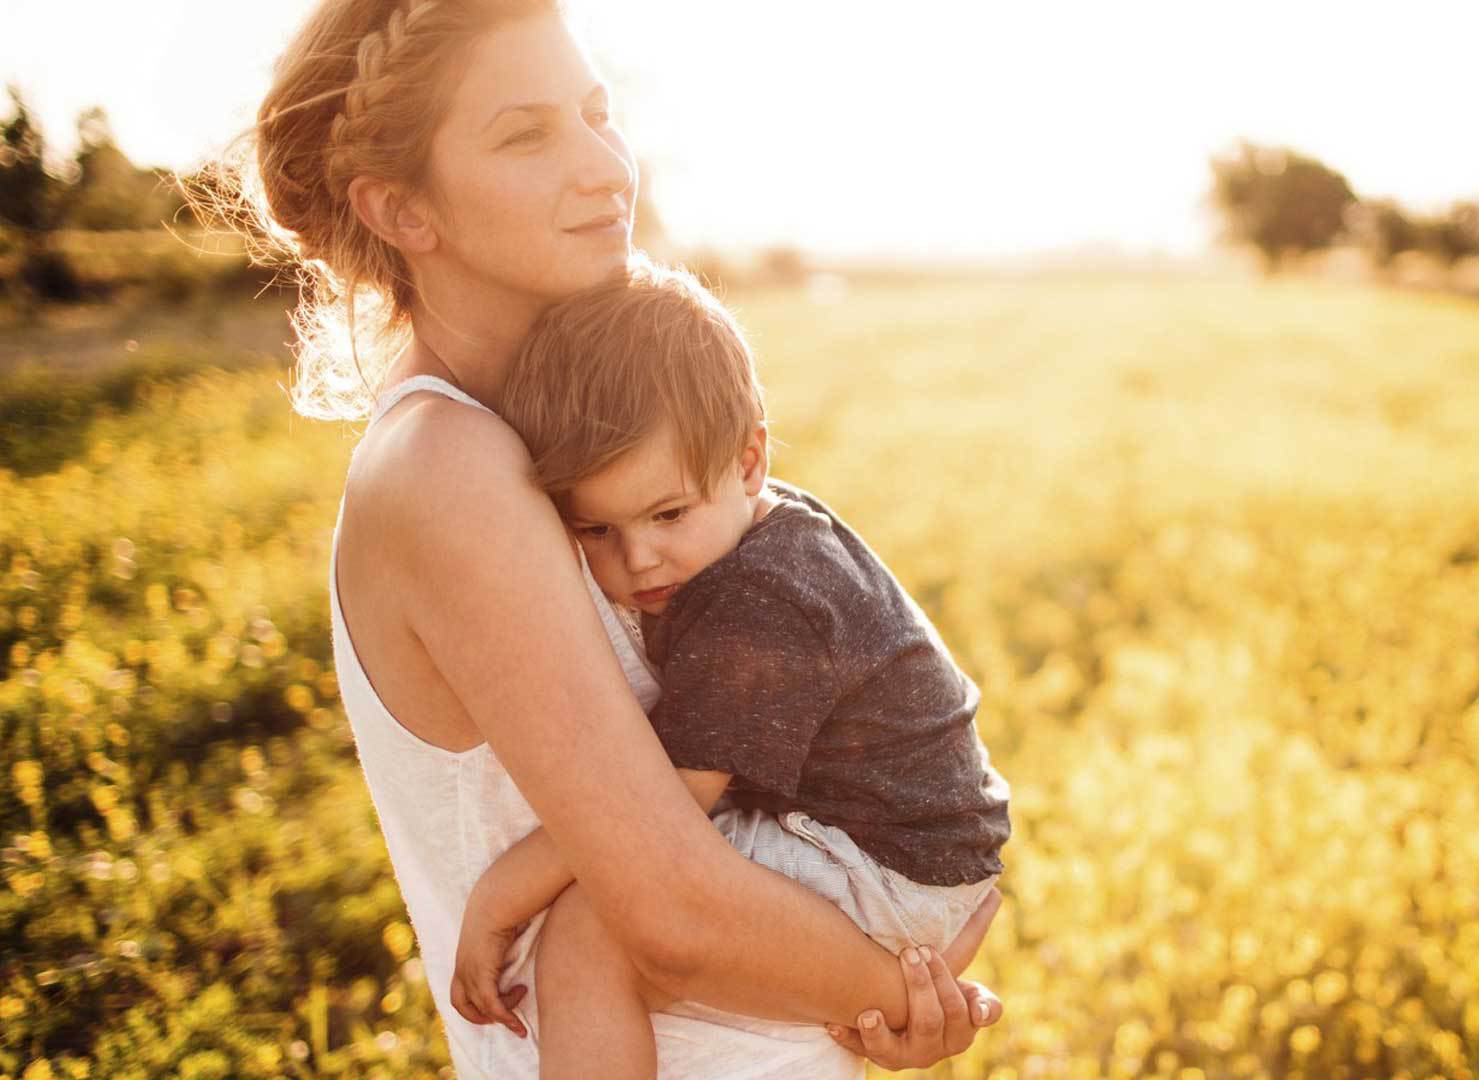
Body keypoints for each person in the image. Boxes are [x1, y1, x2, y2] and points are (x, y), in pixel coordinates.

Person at [227, 0, 1006, 1076]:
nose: (604, 167)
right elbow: (675, 911)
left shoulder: (589, 430)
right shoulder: (445, 468)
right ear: (402, 209)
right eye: (527, 134)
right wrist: (919, 999)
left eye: (598, 113)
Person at [447, 264, 1013, 1073]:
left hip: (890, 862)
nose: (639, 559)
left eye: (667, 513)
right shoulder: (757, 523)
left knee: (591, 933)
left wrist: (502, 896)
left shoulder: (757, 598)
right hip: (909, 842)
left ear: (749, 462)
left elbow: (662, 809)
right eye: (596, 530)